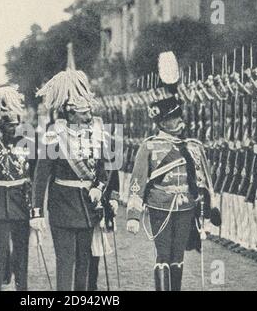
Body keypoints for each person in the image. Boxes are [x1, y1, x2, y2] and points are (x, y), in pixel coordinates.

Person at [126, 52, 220, 291]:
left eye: (179, 117)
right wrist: (134, 216)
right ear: (161, 123)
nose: (178, 122)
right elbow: (137, 183)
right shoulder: (149, 146)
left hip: (187, 206)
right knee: (163, 256)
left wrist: (208, 215)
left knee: (178, 257)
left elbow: (204, 182)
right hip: (160, 204)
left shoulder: (193, 146)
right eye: (172, 118)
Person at [32, 69, 113, 291]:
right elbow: (40, 177)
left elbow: (105, 169)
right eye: (83, 113)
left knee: (85, 267)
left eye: (89, 111)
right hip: (62, 209)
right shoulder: (53, 135)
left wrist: (99, 187)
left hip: (88, 208)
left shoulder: (96, 132)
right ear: (69, 113)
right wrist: (36, 211)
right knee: (66, 266)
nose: (89, 117)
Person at [0, 86, 33, 291]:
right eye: (10, 125)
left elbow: (33, 175)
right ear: (0, 125)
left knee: (21, 254)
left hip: (21, 204)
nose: (15, 128)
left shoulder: (28, 145)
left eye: (17, 124)